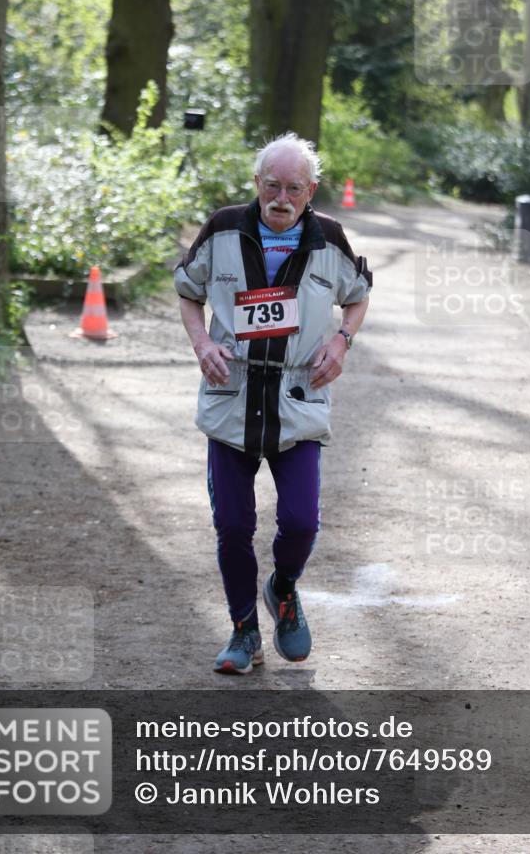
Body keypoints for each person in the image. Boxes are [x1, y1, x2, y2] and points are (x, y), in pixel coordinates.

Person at [175, 132, 371, 674]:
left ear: (311, 190)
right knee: (233, 526)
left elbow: (357, 299)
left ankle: (282, 588)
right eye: (270, 186)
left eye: (292, 188)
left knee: (302, 522)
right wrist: (202, 342)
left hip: (297, 397)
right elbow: (188, 291)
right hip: (232, 395)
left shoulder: (329, 239)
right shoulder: (222, 230)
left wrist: (341, 341)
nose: (280, 198)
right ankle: (243, 632)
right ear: (257, 184)